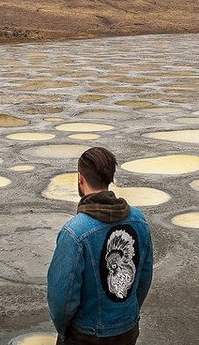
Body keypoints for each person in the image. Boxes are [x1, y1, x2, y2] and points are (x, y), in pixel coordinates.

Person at [47, 147, 154, 345]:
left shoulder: (75, 233)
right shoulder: (139, 221)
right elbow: (144, 277)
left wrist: (65, 332)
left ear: (80, 179)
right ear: (110, 178)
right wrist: (127, 313)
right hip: (127, 330)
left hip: (86, 335)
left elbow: (62, 298)